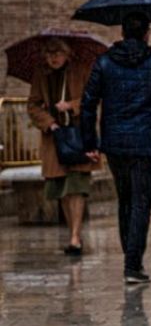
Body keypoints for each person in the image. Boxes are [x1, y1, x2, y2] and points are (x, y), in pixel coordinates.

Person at [81, 12, 151, 284]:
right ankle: (133, 263)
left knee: (125, 199)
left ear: (122, 33)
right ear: (147, 33)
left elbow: (88, 103)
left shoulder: (104, 64)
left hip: (115, 143)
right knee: (141, 203)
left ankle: (130, 258)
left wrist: (90, 142)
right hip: (146, 142)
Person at [27, 38, 100, 255]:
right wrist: (49, 122)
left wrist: (71, 105)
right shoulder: (41, 74)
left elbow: (92, 98)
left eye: (58, 53)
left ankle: (75, 237)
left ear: (67, 54)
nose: (54, 58)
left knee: (77, 186)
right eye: (49, 53)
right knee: (63, 189)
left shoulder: (82, 70)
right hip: (55, 138)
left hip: (79, 135)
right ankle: (72, 232)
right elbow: (33, 104)